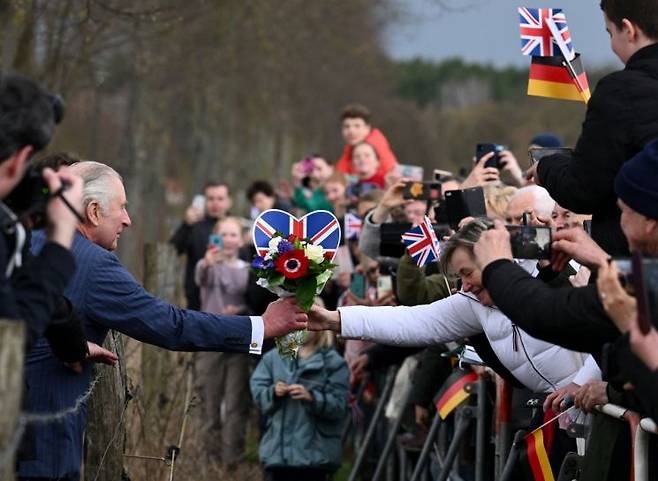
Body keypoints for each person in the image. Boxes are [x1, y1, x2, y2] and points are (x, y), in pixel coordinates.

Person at [19, 161, 308, 481]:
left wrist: (72, 343)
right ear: (94, 211)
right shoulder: (95, 265)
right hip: (44, 438)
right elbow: (172, 324)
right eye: (122, 208)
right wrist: (260, 327)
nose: (128, 220)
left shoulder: (24, 243)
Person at [527, 0, 658, 256]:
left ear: (629, 30)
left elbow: (583, 189)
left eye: (610, 32)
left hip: (634, 267)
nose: (611, 44)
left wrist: (546, 167)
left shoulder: (621, 91)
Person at [250, 330, 349, 481]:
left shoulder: (334, 362)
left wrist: (313, 398)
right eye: (297, 319)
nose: (302, 327)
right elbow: (257, 391)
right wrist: (273, 392)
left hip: (316, 458)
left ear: (321, 325)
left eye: (308, 321)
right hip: (277, 455)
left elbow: (340, 405)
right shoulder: (274, 357)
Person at [194, 217, 252, 469]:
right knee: (209, 400)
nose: (228, 240)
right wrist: (208, 263)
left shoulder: (250, 270)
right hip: (210, 340)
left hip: (237, 340)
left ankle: (231, 462)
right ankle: (209, 460)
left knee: (235, 402)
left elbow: (253, 301)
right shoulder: (207, 266)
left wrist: (239, 309)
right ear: (215, 238)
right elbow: (200, 279)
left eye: (233, 235)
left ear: (241, 239)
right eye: (223, 235)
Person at [170, 180, 232, 310]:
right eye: (211, 198)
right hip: (197, 301)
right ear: (204, 201)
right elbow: (172, 250)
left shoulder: (236, 227)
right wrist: (186, 225)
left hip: (230, 300)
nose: (215, 203)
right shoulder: (193, 226)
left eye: (220, 199)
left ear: (228, 201)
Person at [335, 104, 398, 178]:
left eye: (357, 126)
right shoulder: (350, 148)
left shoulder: (375, 148)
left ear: (367, 128)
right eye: (346, 126)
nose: (351, 131)